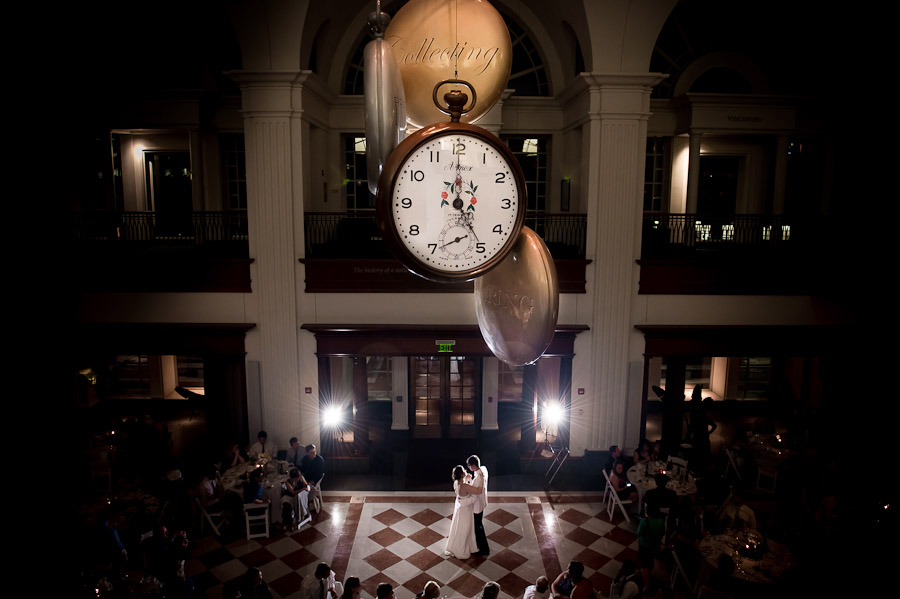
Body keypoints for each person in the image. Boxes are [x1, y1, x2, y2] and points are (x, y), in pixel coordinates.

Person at [459, 454, 489, 556]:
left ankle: (484, 549)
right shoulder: (483, 470)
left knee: (478, 528)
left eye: (469, 466)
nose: (469, 468)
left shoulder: (478, 479)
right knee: (479, 526)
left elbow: (474, 495)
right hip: (482, 503)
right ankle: (482, 547)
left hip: (477, 506)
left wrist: (462, 501)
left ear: (473, 466)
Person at [444, 465, 478, 558]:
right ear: (463, 474)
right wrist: (471, 481)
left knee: (458, 526)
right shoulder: (465, 486)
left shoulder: (456, 483)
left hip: (460, 509)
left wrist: (467, 480)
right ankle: (461, 549)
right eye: (464, 471)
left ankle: (457, 546)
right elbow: (475, 495)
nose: (466, 471)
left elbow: (463, 492)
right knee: (465, 528)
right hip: (466, 510)